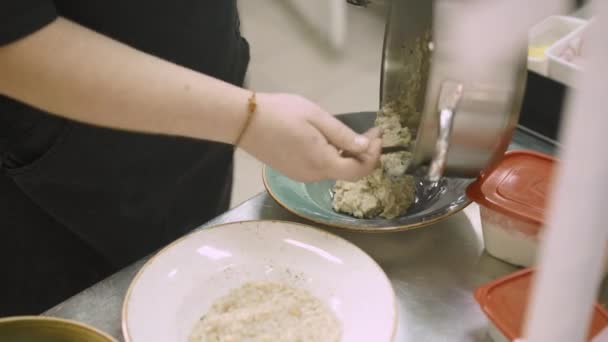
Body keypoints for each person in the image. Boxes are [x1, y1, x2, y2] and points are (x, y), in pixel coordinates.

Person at [0, 1, 382, 315]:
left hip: (200, 122)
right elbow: (13, 44)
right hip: (59, 187)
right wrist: (246, 120)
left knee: (187, 297)